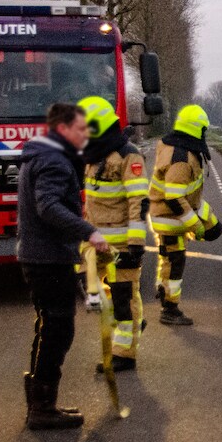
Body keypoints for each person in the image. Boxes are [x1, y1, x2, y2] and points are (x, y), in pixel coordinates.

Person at [18, 102, 110, 430]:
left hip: (40, 256)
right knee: (58, 330)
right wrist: (88, 231)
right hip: (48, 258)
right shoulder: (54, 161)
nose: (85, 135)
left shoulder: (42, 155)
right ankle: (42, 408)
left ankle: (39, 405)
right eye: (80, 129)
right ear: (62, 130)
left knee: (48, 327)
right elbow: (48, 206)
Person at [78, 97, 148, 372]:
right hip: (95, 241)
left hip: (121, 245)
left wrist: (136, 244)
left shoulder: (128, 156)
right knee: (88, 285)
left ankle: (124, 353)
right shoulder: (94, 155)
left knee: (123, 298)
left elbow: (138, 202)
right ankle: (134, 322)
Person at [149, 104, 222, 325]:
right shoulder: (180, 158)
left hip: (174, 212)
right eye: (203, 130)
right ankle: (169, 308)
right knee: (175, 260)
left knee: (211, 233)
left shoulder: (179, 147)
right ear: (195, 129)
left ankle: (163, 290)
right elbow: (174, 198)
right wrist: (195, 226)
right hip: (169, 216)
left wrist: (204, 222)